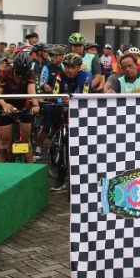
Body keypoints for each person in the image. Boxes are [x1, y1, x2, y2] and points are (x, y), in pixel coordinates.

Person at [49, 52, 92, 191]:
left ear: (79, 67)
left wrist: (72, 100)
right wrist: (62, 100)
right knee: (63, 145)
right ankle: (61, 178)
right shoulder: (60, 75)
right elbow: (55, 94)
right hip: (64, 112)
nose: (70, 70)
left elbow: (85, 94)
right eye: (67, 66)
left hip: (81, 112)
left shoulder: (86, 76)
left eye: (73, 67)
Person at [0, 51, 40, 162]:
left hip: (23, 106)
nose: (21, 74)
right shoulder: (5, 73)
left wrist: (35, 105)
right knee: (5, 141)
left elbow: (31, 91)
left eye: (24, 71)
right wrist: (4, 104)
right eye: (19, 71)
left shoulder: (30, 73)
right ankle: (1, 168)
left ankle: (30, 169)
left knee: (26, 141)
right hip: (6, 106)